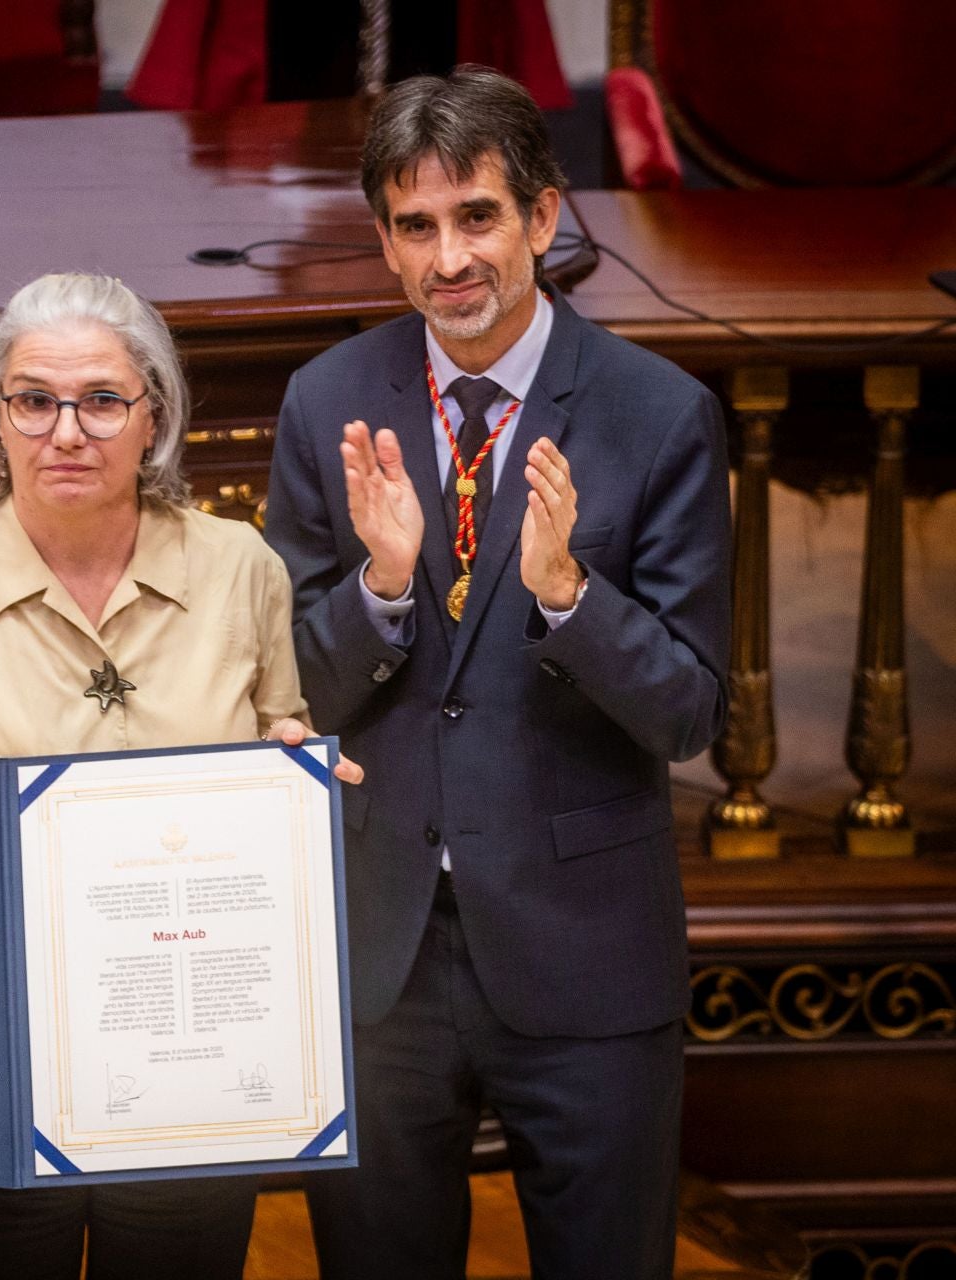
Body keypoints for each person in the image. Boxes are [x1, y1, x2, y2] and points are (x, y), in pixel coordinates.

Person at [263, 67, 730, 1279]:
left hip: (584, 956)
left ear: (543, 218)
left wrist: (572, 596)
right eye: (414, 227)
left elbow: (687, 711)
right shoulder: (329, 403)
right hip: (381, 961)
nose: (448, 256)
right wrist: (376, 586)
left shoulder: (656, 414)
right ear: (383, 240)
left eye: (476, 216)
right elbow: (294, 688)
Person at [0, 271, 359, 1280]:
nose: (66, 431)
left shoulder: (242, 569)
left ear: (154, 418)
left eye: (101, 400)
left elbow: (285, 750)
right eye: (34, 400)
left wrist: (298, 784)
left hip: (190, 1049)